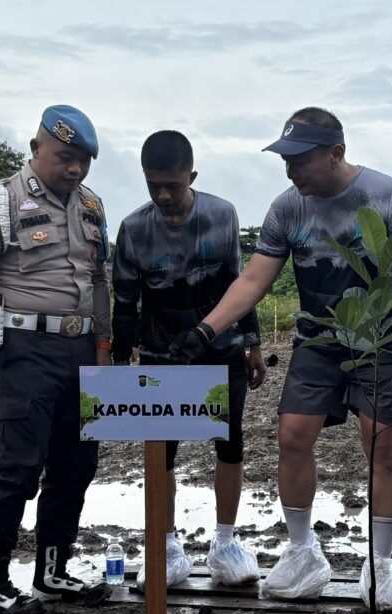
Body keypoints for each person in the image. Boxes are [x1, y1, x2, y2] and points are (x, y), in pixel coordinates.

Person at [168, 107, 392, 613]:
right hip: (318, 339)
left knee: (381, 446)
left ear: (335, 154)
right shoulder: (287, 208)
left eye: (300, 160)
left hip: (381, 339)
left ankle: (380, 565)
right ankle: (302, 551)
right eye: (286, 160)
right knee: (291, 437)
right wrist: (206, 329)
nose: (291, 170)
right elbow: (253, 280)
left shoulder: (386, 196)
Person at [0, 105, 110, 614]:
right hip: (23, 350)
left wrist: (105, 348)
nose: (75, 168)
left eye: (84, 160)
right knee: (19, 464)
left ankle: (53, 571)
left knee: (76, 464)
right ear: (36, 148)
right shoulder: (0, 201)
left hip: (82, 349)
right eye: (65, 157)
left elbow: (99, 282)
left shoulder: (92, 205)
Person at [112, 131, 267, 589]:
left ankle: (226, 542)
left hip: (221, 350)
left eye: (173, 186)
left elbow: (241, 285)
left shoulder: (222, 216)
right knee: (161, 450)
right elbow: (125, 302)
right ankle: (165, 546)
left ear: (192, 177)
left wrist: (253, 343)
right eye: (153, 185)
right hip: (162, 356)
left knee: (229, 443)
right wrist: (120, 361)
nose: (163, 196)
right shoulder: (134, 229)